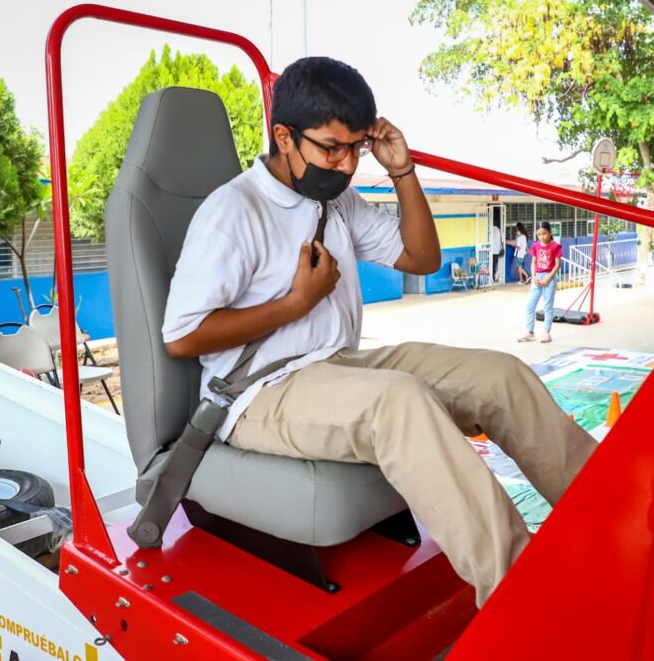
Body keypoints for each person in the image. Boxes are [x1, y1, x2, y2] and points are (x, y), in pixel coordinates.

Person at [162, 57, 597, 608]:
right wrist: (296, 302)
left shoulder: (335, 199)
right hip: (256, 394)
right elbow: (182, 336)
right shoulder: (233, 210)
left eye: (355, 149)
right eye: (331, 148)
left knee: (501, 375)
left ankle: (615, 525)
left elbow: (421, 256)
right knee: (401, 402)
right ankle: (523, 600)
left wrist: (402, 171)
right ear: (283, 136)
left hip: (336, 365)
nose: (344, 166)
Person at [518, 222, 562, 344]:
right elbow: (533, 262)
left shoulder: (555, 246)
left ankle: (546, 332)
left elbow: (557, 265)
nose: (542, 236)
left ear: (550, 232)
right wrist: (534, 277)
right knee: (530, 305)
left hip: (549, 278)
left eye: (544, 233)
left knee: (547, 306)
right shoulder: (535, 246)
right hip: (537, 278)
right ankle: (530, 332)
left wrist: (548, 279)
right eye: (539, 234)